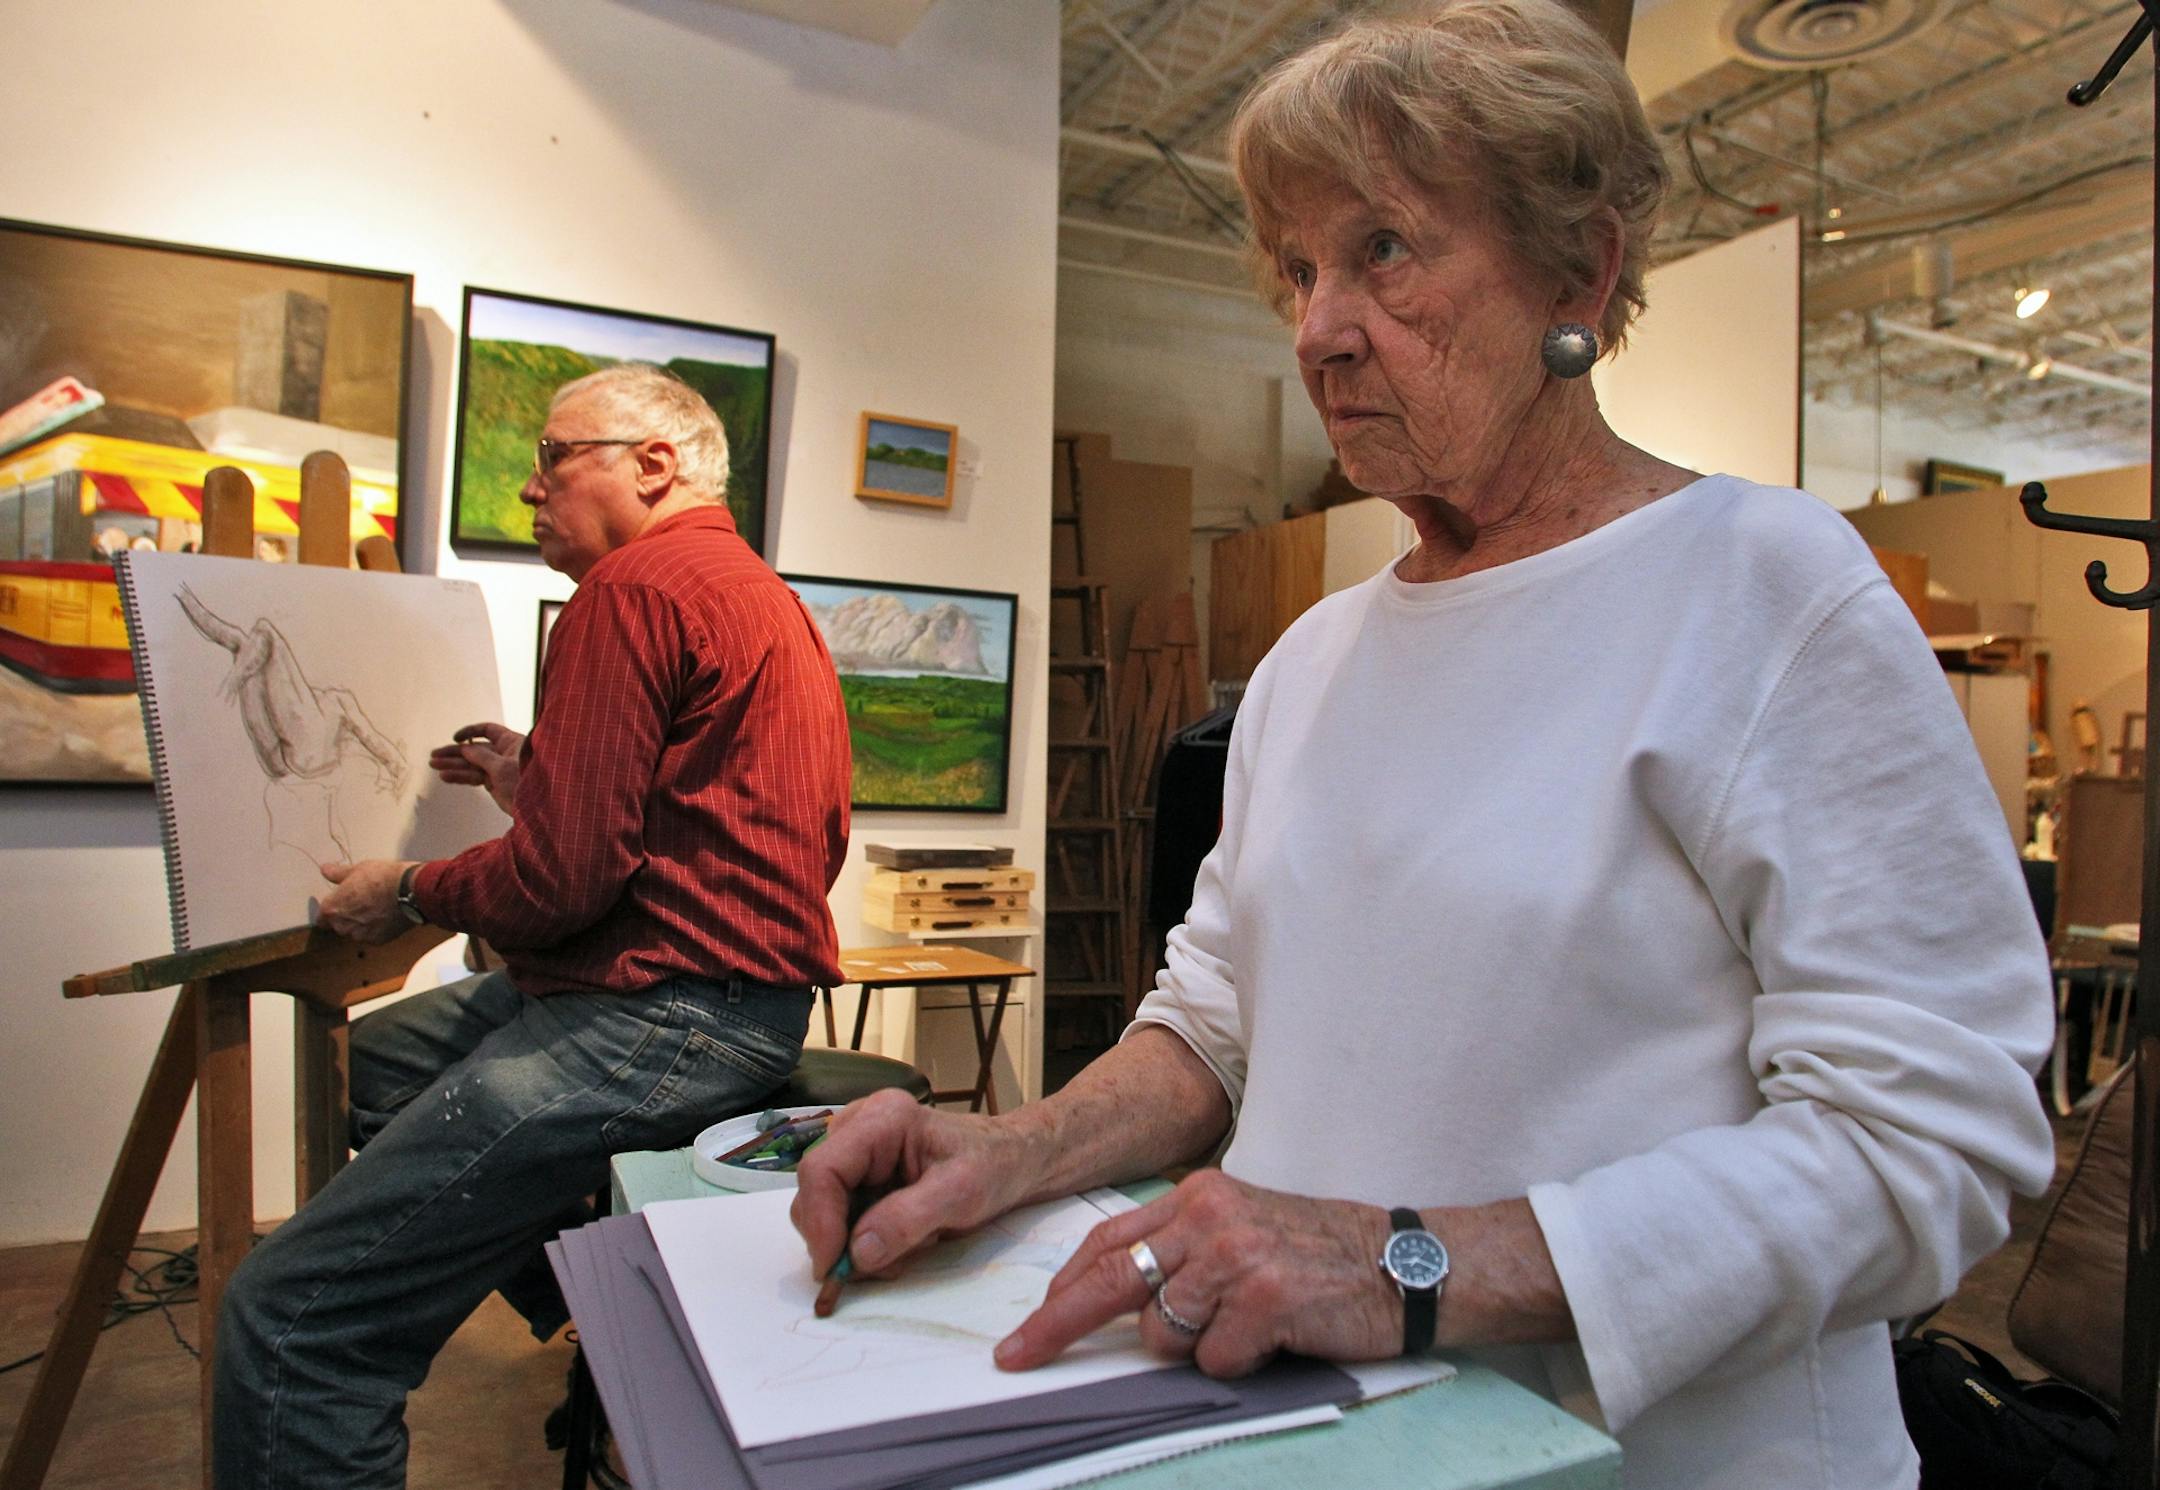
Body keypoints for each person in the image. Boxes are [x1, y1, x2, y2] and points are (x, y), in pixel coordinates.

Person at [793, 4, 2055, 1487]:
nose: (1321, 328)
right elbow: (1211, 1022)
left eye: (1382, 248)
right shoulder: (1313, 659)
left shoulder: (1765, 588)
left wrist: (1410, 1262)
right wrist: (1008, 1150)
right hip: (1356, 1447)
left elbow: (1936, 1136)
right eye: (1298, 270)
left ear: (1577, 271)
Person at [213, 363, 852, 1489]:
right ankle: (594, 1297)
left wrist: (409, 888)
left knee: (295, 1319)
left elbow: (562, 884)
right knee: (379, 1063)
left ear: (654, 465)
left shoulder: (632, 588)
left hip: (660, 1018)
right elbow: (701, 826)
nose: (529, 489)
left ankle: (611, 1312)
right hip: (721, 1002)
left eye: (554, 458)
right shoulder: (763, 597)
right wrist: (537, 781)